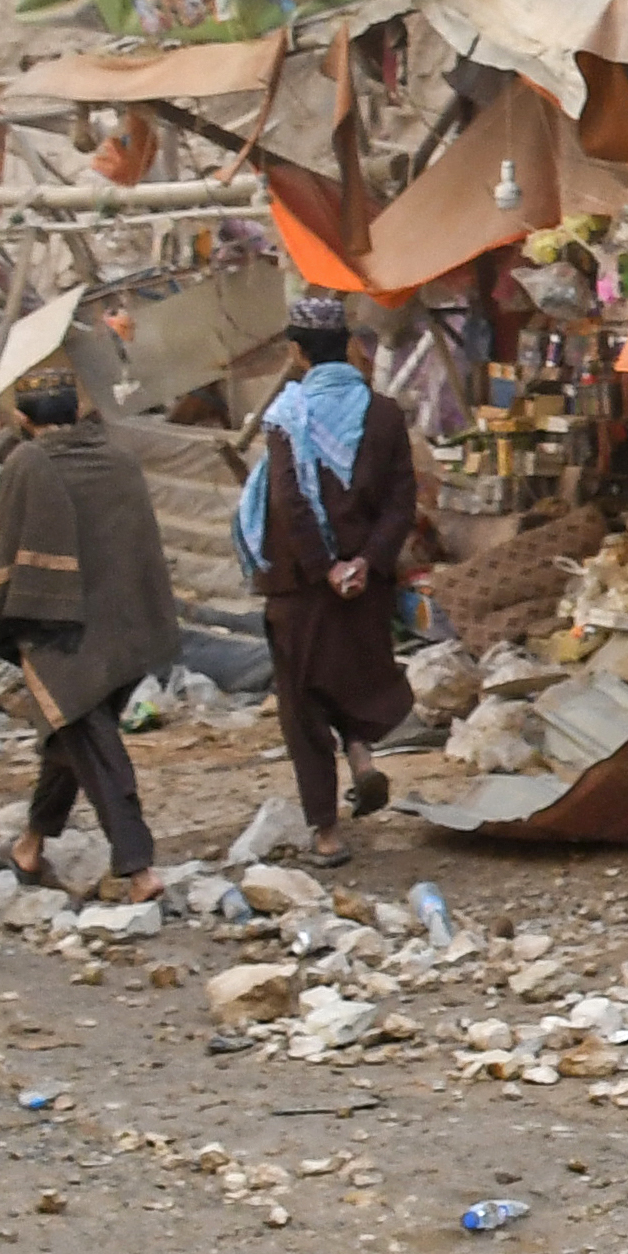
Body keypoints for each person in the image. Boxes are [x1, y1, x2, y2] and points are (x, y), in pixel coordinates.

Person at [0, 373, 182, 897]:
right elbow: (138, 544)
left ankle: (139, 867)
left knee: (90, 741)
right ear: (77, 410)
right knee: (68, 738)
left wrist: (3, 618)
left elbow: (4, 544)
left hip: (59, 629)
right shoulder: (119, 459)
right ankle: (30, 847)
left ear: (25, 420)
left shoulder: (26, 463)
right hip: (127, 627)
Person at [238, 307, 421, 861]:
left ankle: (326, 831)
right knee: (355, 673)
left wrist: (326, 568)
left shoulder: (287, 416)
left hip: (301, 586)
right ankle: (362, 757)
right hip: (367, 585)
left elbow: (291, 505)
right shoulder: (385, 415)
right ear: (346, 348)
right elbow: (401, 502)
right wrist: (366, 561)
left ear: (298, 353)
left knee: (302, 702)